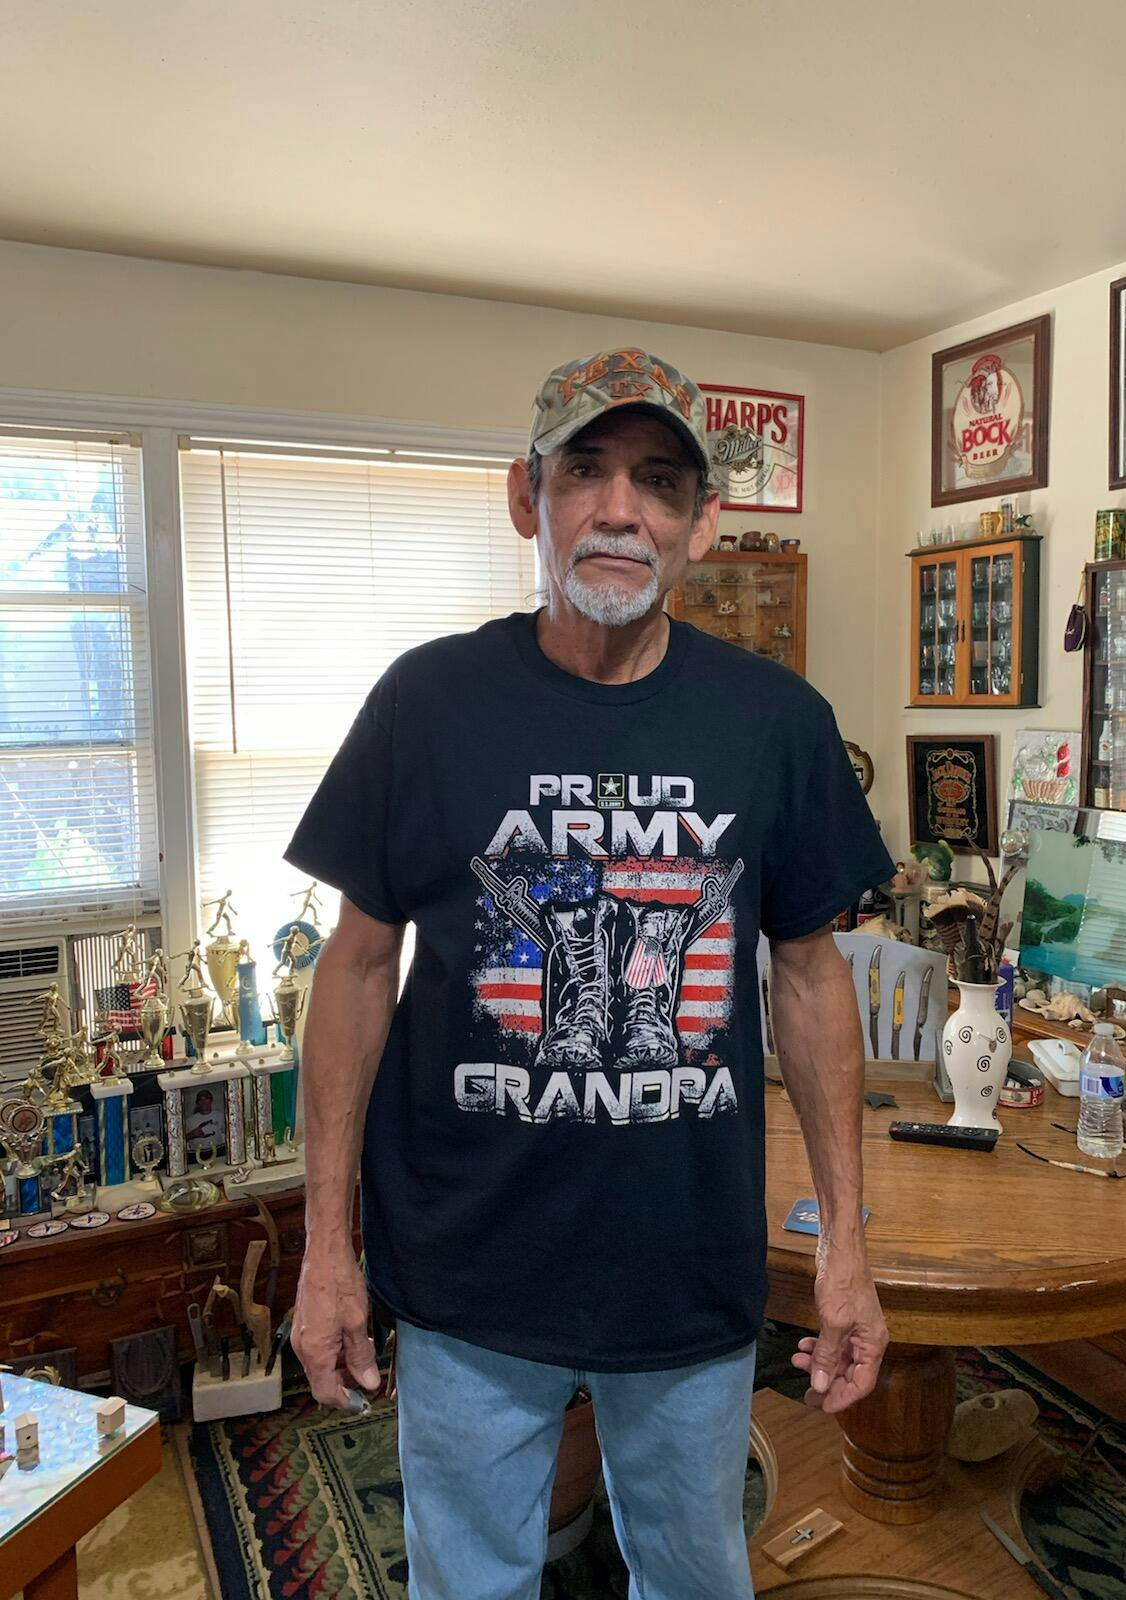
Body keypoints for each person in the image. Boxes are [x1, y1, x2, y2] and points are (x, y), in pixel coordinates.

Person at [285, 346, 894, 1600]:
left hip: (685, 1267)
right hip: (466, 1264)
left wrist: (845, 1242)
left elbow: (810, 976)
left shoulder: (775, 722)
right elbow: (354, 972)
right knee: (468, 1583)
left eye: (660, 481)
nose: (622, 508)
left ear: (702, 524)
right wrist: (324, 1246)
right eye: (586, 472)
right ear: (529, 497)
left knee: (694, 1576)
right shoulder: (426, 703)